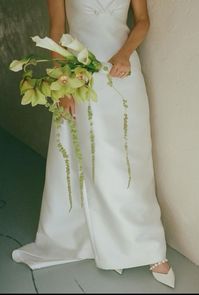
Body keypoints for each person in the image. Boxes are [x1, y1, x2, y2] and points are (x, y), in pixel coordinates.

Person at [12, 0, 175, 288]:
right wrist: (62, 85)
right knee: (93, 159)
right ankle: (103, 238)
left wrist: (124, 54)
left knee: (132, 161)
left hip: (124, 74)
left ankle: (149, 246)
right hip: (80, 78)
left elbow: (143, 21)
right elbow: (57, 30)